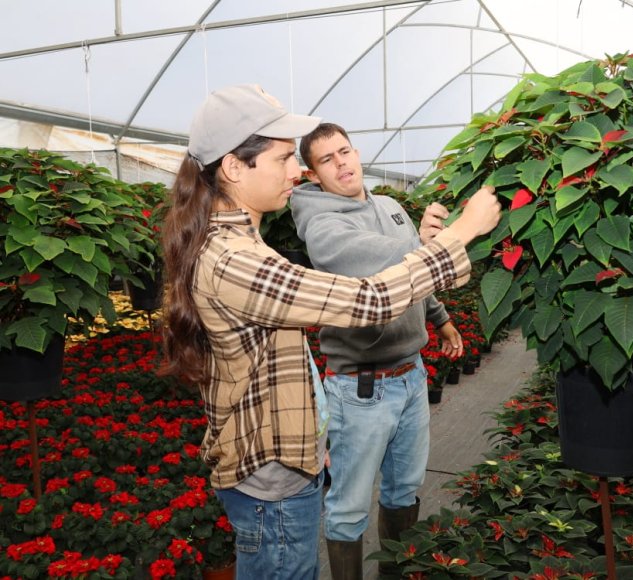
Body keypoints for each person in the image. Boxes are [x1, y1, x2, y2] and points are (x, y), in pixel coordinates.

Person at [158, 84, 500, 580]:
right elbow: (370, 300)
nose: (296, 171)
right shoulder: (234, 259)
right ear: (234, 167)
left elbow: (278, 356)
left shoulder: (240, 240)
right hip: (271, 485)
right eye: (283, 159)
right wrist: (461, 233)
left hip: (283, 466)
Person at [290, 123, 465, 578]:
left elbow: (418, 273)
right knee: (348, 506)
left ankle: (396, 572)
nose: (341, 163)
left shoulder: (388, 206)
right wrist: (420, 245)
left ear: (356, 151)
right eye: (327, 160)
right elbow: (369, 258)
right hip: (360, 388)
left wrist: (440, 318)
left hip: (410, 375)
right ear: (312, 175)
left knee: (404, 489)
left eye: (344, 151)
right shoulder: (321, 222)